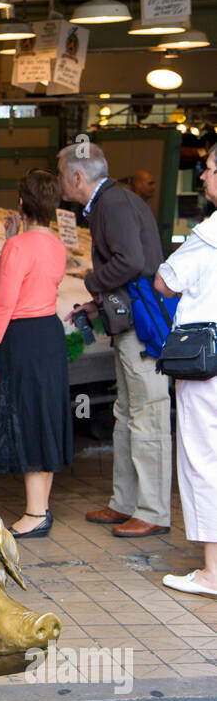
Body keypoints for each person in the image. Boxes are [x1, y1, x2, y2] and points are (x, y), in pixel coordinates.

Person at [58, 142, 171, 537]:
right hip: (128, 324)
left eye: (61, 175)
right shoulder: (111, 201)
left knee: (148, 415)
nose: (61, 183)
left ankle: (152, 510)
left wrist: (91, 283)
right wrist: (95, 304)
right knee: (127, 413)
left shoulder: (113, 203)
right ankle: (125, 502)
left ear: (77, 176)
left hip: (144, 328)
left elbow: (131, 262)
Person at [0, 171, 74, 537]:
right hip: (48, 334)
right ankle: (42, 508)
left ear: (22, 203)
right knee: (46, 414)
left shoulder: (18, 247)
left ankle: (36, 514)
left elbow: (3, 298)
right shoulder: (57, 246)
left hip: (21, 336)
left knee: (27, 417)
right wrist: (8, 243)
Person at [155, 143, 217, 596]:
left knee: (203, 460)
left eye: (209, 169)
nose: (203, 178)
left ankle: (213, 572)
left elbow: (165, 281)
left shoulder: (208, 235)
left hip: (207, 362)